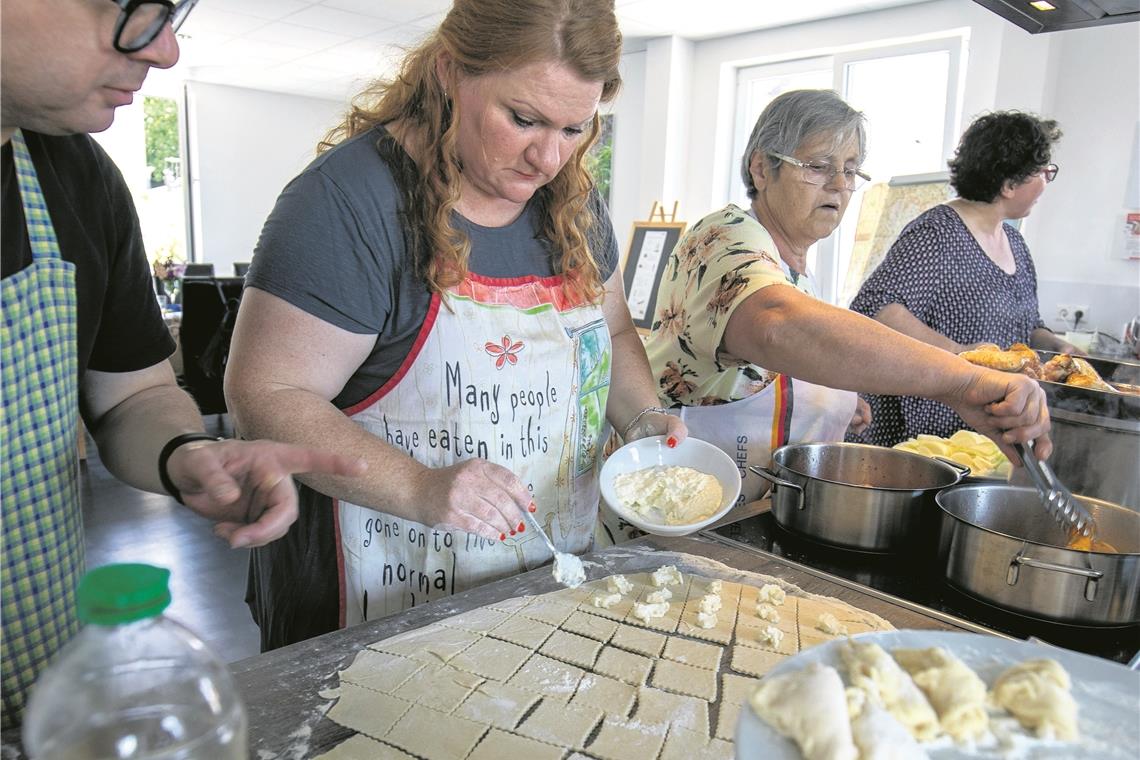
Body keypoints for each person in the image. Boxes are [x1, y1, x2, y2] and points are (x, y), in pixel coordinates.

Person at [224, 0, 686, 650]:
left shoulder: (576, 208)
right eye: (523, 119)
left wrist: (640, 421)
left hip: (545, 576)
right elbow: (265, 397)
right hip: (375, 598)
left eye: (576, 128)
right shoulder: (346, 205)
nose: (548, 158)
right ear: (449, 74)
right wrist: (418, 485)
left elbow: (607, 334)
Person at [0, 0, 366, 727]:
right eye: (134, 8)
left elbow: (131, 395)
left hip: (34, 687)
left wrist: (187, 453)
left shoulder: (73, 175)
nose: (165, 51)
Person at [644, 90, 1052, 503]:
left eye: (851, 170)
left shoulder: (798, 271)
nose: (839, 185)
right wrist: (962, 381)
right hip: (673, 507)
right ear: (762, 169)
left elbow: (781, 363)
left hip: (746, 512)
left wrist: (828, 404)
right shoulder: (724, 236)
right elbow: (776, 324)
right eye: (819, 167)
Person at [848, 111, 1078, 446]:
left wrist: (1055, 345)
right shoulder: (938, 233)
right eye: (1043, 172)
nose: (1046, 181)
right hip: (921, 433)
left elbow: (1027, 325)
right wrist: (961, 355)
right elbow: (877, 309)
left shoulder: (1015, 243)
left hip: (977, 429)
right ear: (1009, 183)